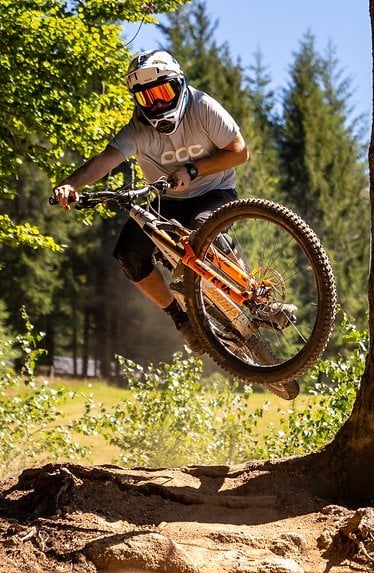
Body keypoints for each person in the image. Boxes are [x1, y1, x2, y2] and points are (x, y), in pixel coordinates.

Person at [51, 49, 248, 350]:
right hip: (165, 201)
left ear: (179, 85)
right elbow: (105, 161)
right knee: (128, 254)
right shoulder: (138, 129)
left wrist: (193, 170)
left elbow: (239, 152)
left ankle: (253, 292)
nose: (156, 103)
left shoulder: (203, 107)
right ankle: (182, 321)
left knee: (201, 231)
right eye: (147, 97)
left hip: (214, 192)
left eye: (163, 92)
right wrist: (68, 185)